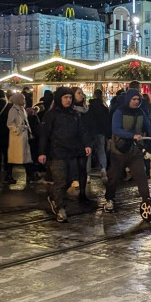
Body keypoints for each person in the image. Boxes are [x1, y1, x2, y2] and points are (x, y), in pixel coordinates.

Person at [38, 87, 92, 222]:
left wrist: (86, 144)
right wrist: (42, 152)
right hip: (57, 152)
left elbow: (82, 131)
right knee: (60, 180)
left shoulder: (74, 114)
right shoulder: (51, 115)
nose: (68, 100)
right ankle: (60, 208)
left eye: (70, 97)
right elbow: (45, 134)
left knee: (70, 178)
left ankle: (55, 197)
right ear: (59, 99)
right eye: (65, 97)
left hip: (72, 151)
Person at [104, 89, 151, 212]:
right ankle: (109, 199)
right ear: (128, 100)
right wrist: (132, 135)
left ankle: (147, 200)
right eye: (133, 99)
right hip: (119, 151)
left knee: (141, 176)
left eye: (138, 99)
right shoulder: (119, 112)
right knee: (114, 177)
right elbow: (116, 129)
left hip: (135, 151)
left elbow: (148, 126)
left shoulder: (140, 112)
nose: (136, 102)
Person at [5, 92, 32, 190]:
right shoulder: (13, 110)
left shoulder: (21, 109)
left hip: (22, 135)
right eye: (23, 99)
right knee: (16, 156)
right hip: (17, 136)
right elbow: (10, 123)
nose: (24, 101)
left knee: (23, 156)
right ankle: (29, 174)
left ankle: (28, 174)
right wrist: (17, 130)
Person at [86, 89, 111, 178]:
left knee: (88, 153)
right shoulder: (104, 108)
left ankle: (87, 173)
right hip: (101, 133)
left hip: (90, 133)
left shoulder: (89, 108)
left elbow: (86, 121)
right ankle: (103, 168)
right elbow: (107, 122)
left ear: (93, 95)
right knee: (101, 150)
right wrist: (108, 136)